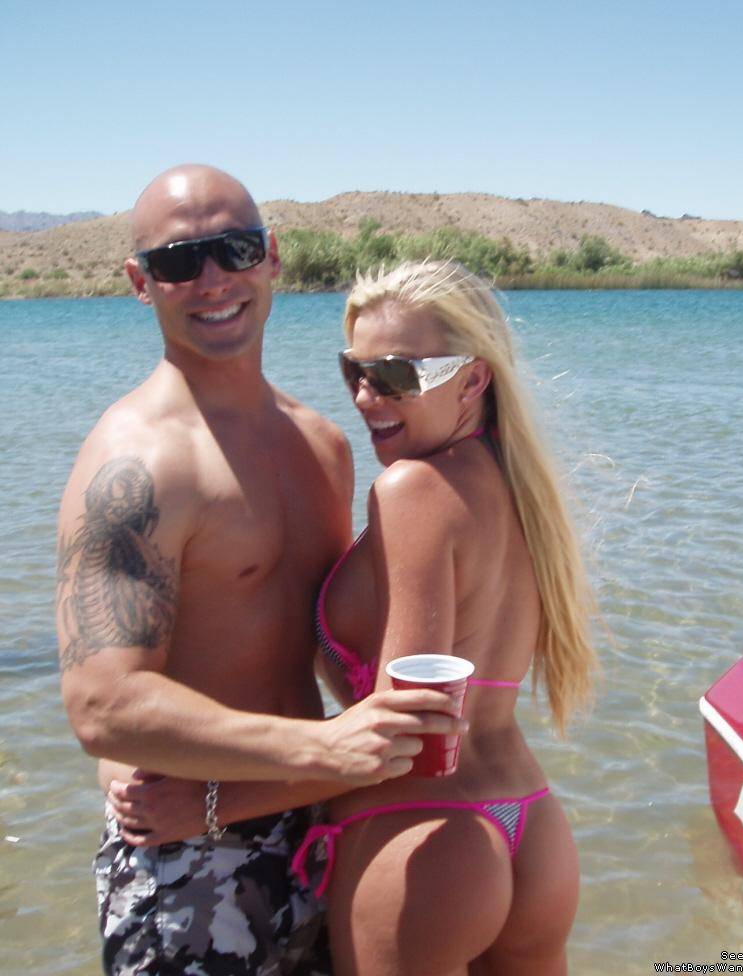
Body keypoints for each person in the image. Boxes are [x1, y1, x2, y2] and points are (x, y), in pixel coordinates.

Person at [111, 258, 596, 974]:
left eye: (396, 375)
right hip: (532, 824)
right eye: (355, 372)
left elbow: (401, 736)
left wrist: (208, 808)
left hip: (426, 837)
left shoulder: (413, 491)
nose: (367, 397)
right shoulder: (519, 488)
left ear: (472, 381)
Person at [55, 170, 467, 976]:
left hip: (316, 823)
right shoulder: (138, 460)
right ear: (141, 282)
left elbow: (328, 642)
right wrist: (327, 747)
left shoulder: (322, 444)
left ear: (272, 257)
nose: (213, 281)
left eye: (235, 250)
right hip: (187, 852)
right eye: (179, 262)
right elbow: (102, 705)